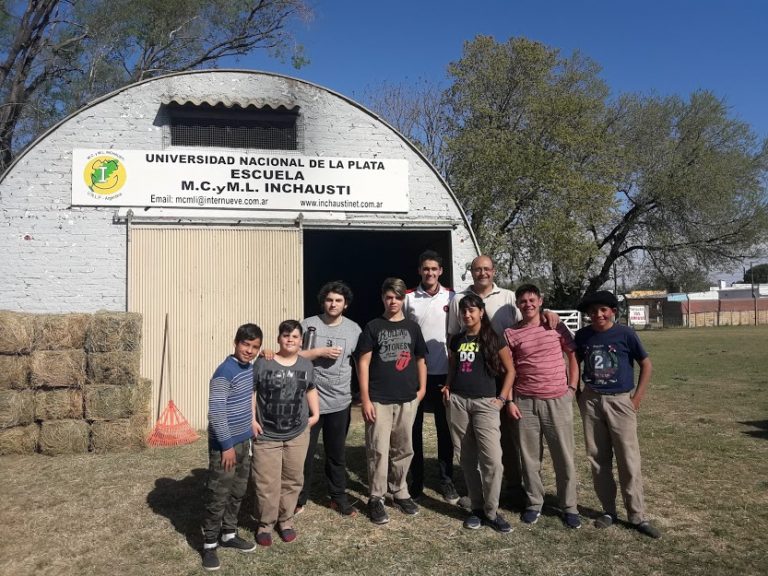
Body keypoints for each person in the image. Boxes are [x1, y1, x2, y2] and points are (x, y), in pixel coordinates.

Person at [447, 254, 559, 508]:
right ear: (471, 272)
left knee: (507, 436)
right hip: (471, 373)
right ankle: (477, 491)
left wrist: (550, 312)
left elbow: (531, 313)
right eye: (477, 269)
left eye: (487, 269)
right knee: (470, 440)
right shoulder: (459, 300)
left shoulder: (508, 297)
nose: (482, 273)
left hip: (504, 374)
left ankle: (512, 486)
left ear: (494, 271)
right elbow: (452, 335)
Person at [574, 291, 661, 539]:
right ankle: (608, 510)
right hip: (592, 400)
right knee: (598, 458)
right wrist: (578, 393)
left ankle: (637, 515)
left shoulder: (625, 334)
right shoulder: (583, 336)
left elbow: (646, 363)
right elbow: (573, 361)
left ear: (613, 311)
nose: (597, 315)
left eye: (603, 309)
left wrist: (636, 398)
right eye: (592, 311)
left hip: (620, 401)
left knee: (628, 459)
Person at [504, 284, 581, 529]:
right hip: (525, 401)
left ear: (540, 300)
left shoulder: (555, 325)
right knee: (529, 459)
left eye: (532, 299)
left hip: (557, 399)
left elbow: (572, 355)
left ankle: (569, 506)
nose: (528, 304)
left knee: (564, 457)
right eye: (523, 301)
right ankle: (534, 503)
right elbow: (511, 369)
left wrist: (571, 388)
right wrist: (511, 400)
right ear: (517, 305)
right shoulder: (511, 334)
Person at [443, 293, 520, 533]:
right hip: (458, 403)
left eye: (472, 310)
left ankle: (491, 510)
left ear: (481, 312)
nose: (467, 314)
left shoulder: (494, 338)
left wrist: (502, 398)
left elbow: (510, 371)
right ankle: (476, 508)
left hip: (486, 404)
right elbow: (453, 366)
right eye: (464, 311)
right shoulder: (456, 339)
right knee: (466, 458)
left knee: (492, 460)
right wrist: (447, 385)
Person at [357, 277, 427, 524]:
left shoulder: (412, 327)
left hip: (407, 398)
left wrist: (422, 390)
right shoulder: (373, 326)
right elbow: (362, 363)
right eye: (389, 297)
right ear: (383, 298)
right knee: (378, 449)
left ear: (403, 299)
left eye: (397, 297)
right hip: (379, 399)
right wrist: (365, 399)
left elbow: (420, 359)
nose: (393, 301)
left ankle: (400, 491)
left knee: (404, 448)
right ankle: (376, 496)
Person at [251, 320, 320, 546]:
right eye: (286, 335)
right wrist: (252, 419)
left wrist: (315, 415)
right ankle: (265, 525)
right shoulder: (263, 363)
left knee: (292, 480)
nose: (290, 339)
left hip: (297, 433)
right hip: (267, 435)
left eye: (295, 336)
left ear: (301, 341)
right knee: (266, 482)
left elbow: (310, 389)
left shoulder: (305, 365)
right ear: (279, 338)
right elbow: (252, 392)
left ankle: (286, 521)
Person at [296, 281, 362, 517]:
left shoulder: (354, 330)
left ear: (345, 305)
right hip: (308, 402)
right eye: (329, 300)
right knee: (304, 453)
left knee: (336, 454)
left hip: (339, 402)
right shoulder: (308, 325)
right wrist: (318, 352)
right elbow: (290, 354)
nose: (333, 304)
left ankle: (337, 497)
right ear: (323, 302)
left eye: (338, 301)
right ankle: (298, 498)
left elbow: (362, 362)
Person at [201, 323, 263, 571]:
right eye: (245, 345)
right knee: (219, 494)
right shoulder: (224, 372)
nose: (249, 350)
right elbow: (216, 413)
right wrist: (225, 445)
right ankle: (209, 545)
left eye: (254, 347)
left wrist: (250, 423)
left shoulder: (248, 367)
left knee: (238, 490)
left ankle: (229, 533)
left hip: (243, 440)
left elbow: (246, 398)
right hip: (224, 446)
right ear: (235, 343)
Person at [404, 250, 458, 503]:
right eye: (426, 269)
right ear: (419, 271)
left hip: (443, 373)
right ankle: (416, 482)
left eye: (434, 269)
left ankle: (447, 481)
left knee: (444, 430)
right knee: (413, 430)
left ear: (441, 272)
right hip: (415, 375)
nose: (430, 273)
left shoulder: (452, 297)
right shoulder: (408, 299)